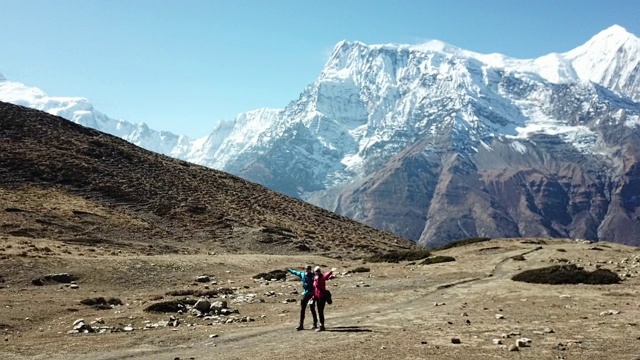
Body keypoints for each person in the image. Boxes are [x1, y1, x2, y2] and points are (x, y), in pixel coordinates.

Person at [287, 265, 317, 331]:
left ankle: (315, 323)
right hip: (305, 294)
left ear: (310, 270)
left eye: (308, 269)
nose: (307, 270)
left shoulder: (313, 276)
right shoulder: (303, 275)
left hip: (312, 294)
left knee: (312, 309)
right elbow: (296, 272)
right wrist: (289, 270)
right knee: (302, 310)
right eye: (306, 269)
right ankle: (301, 324)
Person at [312, 266, 336, 332]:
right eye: (316, 271)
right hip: (317, 296)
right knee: (319, 311)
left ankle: (322, 326)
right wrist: (314, 296)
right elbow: (315, 288)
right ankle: (321, 325)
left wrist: (331, 271)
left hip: (322, 297)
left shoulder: (322, 277)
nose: (317, 272)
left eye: (318, 271)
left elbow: (326, 275)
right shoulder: (315, 278)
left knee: (320, 311)